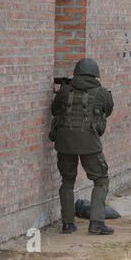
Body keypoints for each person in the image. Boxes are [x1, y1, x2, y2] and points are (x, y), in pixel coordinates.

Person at [50, 58, 114, 235]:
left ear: (76, 72)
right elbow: (108, 110)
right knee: (101, 180)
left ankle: (68, 224)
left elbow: (54, 110)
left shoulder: (64, 91)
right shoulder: (102, 93)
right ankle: (96, 223)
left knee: (67, 181)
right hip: (90, 145)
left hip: (65, 143)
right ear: (96, 74)